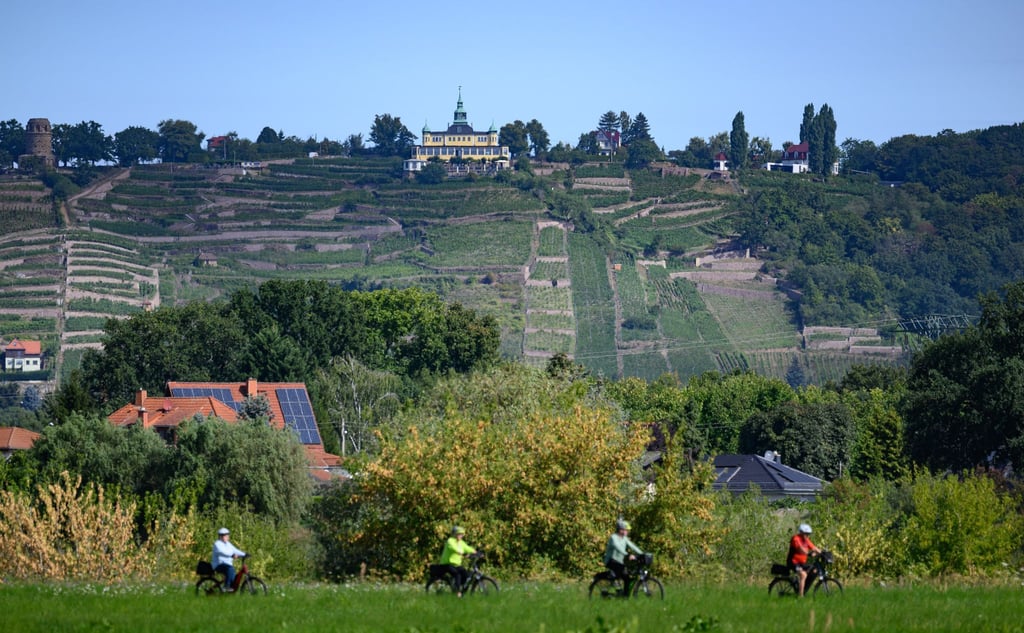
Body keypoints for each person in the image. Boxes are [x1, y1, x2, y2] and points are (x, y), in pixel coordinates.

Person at [603, 518, 644, 588]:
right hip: (611, 561)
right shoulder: (613, 537)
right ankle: (620, 592)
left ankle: (623, 593)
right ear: (621, 529)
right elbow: (618, 548)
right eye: (626, 530)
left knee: (627, 577)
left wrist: (642, 554)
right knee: (625, 576)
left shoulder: (624, 538)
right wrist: (627, 555)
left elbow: (632, 546)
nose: (627, 531)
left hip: (619, 562)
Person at [439, 525, 476, 596]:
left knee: (466, 575)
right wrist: (458, 551)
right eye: (459, 534)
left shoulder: (461, 542)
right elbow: (452, 547)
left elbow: (467, 548)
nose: (461, 536)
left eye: (462, 534)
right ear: (455, 534)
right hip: (447, 563)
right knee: (457, 574)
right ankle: (457, 592)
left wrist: (475, 552)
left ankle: (457, 586)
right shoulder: (450, 540)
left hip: (456, 564)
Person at [788, 523, 821, 596]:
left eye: (808, 534)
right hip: (793, 562)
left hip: (801, 563)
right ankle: (800, 596)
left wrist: (821, 552)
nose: (807, 535)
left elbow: (813, 547)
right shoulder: (795, 538)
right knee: (803, 575)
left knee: (814, 570)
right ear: (801, 532)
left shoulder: (806, 540)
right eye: (806, 534)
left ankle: (803, 589)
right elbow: (800, 549)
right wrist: (809, 553)